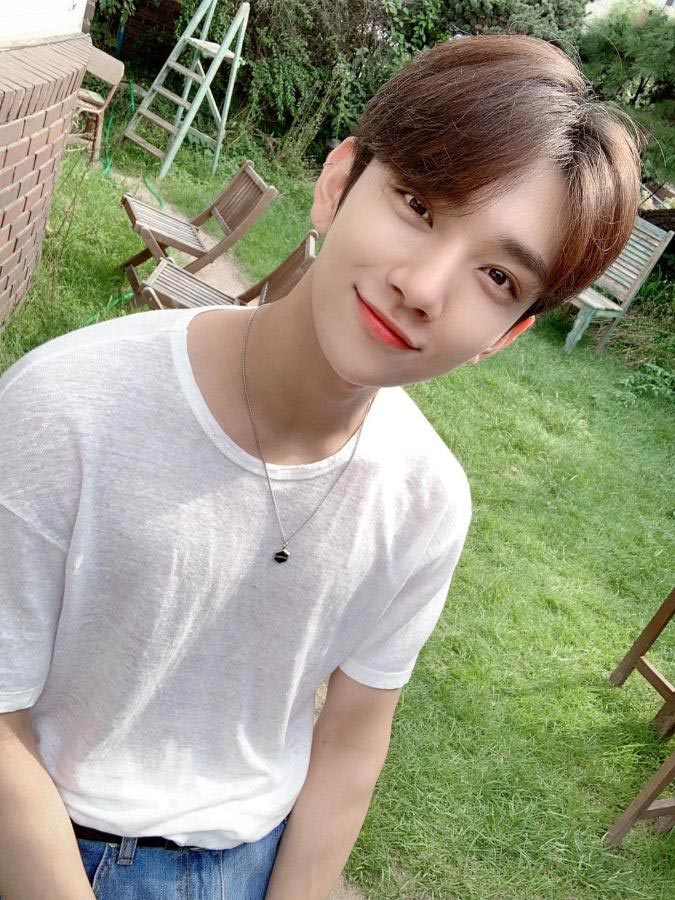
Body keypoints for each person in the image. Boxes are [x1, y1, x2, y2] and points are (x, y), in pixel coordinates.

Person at [0, 33, 641, 900]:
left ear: (506, 335)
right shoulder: (68, 405)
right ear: (338, 181)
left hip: (253, 861)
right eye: (418, 204)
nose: (423, 287)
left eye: (495, 276)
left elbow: (349, 738)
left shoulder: (424, 502)